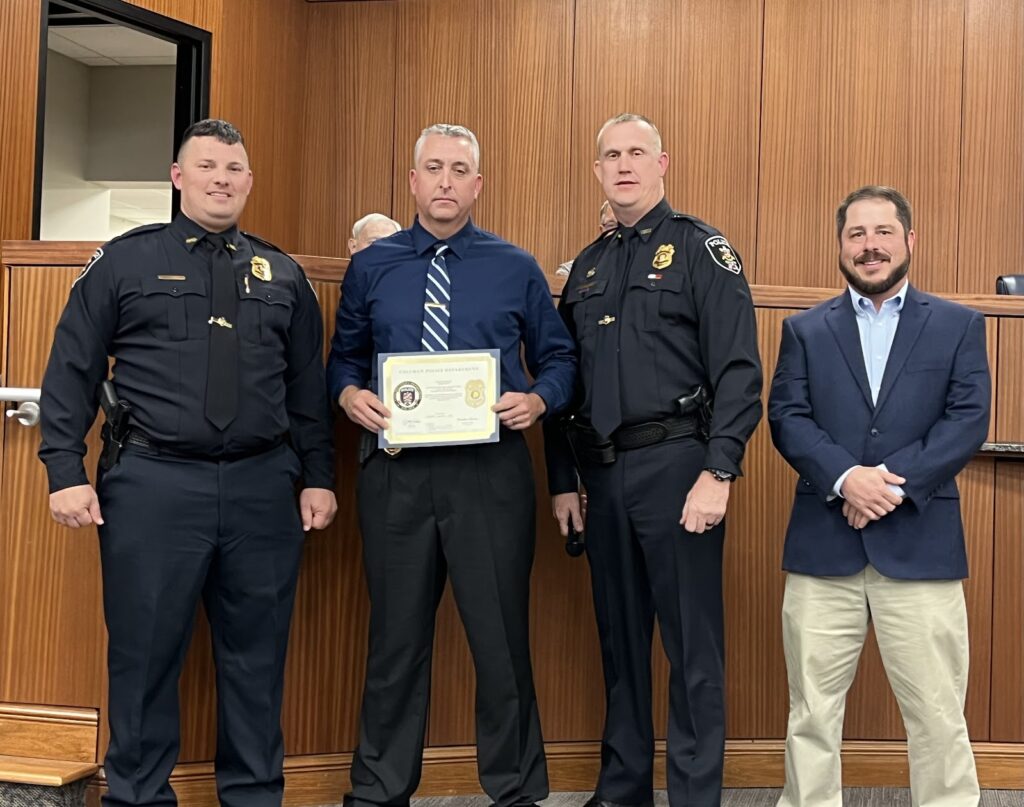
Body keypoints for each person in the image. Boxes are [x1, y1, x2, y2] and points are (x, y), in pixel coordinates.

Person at [38, 118, 337, 807]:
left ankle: (254, 794)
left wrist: (319, 475)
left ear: (249, 181)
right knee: (143, 656)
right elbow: (71, 371)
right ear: (179, 177)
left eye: (234, 169)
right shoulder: (124, 261)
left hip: (264, 486)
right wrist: (65, 469)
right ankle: (138, 795)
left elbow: (305, 393)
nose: (221, 179)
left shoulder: (282, 273)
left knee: (257, 659)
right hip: (153, 485)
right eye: (206, 166)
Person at [328, 123, 575, 807]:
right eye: (432, 168)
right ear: (412, 181)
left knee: (500, 642)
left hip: (490, 475)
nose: (444, 181)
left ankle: (516, 790)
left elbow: (560, 359)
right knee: (395, 643)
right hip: (395, 474)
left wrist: (538, 398)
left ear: (477, 184)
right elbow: (343, 358)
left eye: (458, 169)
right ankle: (378, 790)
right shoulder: (372, 266)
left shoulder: (516, 266)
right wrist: (349, 394)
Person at [544, 113, 763, 806]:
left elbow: (739, 371)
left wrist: (719, 469)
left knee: (692, 649)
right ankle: (624, 788)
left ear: (662, 162)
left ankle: (696, 794)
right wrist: (564, 481)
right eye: (611, 154)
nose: (624, 164)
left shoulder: (702, 248)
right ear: (598, 170)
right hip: (603, 477)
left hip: (680, 469)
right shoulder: (586, 266)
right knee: (620, 646)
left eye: (637, 152)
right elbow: (561, 379)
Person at [768, 185, 989, 807]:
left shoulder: (957, 325)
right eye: (857, 235)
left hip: (920, 546)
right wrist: (847, 478)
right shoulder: (805, 330)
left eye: (883, 233)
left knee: (939, 716)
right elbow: (788, 416)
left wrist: (886, 483)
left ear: (909, 240)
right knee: (811, 713)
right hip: (823, 549)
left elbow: (967, 419)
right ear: (840, 246)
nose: (870, 247)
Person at [555, 200, 617, 276]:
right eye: (612, 225)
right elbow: (564, 272)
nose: (619, 232)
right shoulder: (586, 263)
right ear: (602, 230)